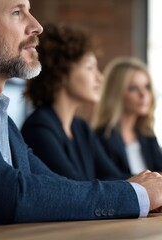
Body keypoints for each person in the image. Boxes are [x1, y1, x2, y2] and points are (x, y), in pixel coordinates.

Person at [0, 0, 162, 231]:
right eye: (17, 13)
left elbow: (56, 185)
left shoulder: (2, 120)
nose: (37, 26)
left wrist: (137, 190)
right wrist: (134, 194)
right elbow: (11, 195)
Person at [21, 23, 129, 181]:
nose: (100, 78)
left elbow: (114, 177)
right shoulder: (38, 128)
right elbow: (76, 190)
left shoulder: (81, 128)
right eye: (90, 68)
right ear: (61, 72)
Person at [95, 57, 162, 190]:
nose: (143, 94)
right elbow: (109, 182)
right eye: (133, 88)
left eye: (147, 87)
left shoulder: (146, 135)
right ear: (116, 93)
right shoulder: (99, 137)